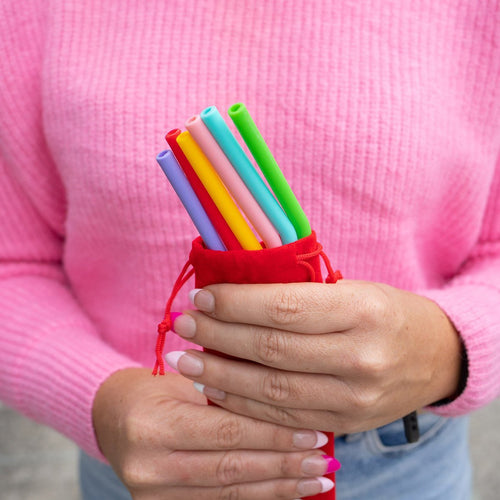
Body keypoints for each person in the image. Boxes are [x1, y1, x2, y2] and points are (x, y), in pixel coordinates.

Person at [1, 1, 499, 499]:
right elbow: (12, 266)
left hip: (402, 458)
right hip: (151, 464)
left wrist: (443, 348)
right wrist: (98, 400)